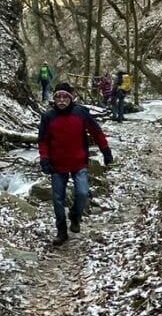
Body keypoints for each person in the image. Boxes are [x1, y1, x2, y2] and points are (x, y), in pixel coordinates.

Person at [38, 82, 114, 246]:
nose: (62, 100)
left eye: (65, 96)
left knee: (82, 193)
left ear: (71, 98)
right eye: (58, 96)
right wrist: (44, 159)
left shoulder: (80, 113)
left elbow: (96, 132)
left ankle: (74, 215)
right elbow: (43, 141)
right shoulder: (48, 116)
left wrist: (106, 151)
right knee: (58, 200)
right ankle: (61, 231)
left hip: (79, 162)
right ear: (54, 99)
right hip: (57, 165)